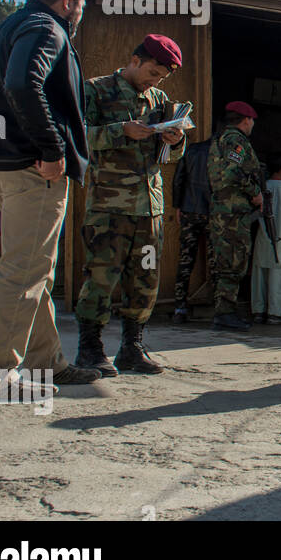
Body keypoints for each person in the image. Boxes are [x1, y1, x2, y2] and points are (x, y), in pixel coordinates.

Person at [0, 0, 102, 390]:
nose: (80, 15)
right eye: (81, 5)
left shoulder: (7, 28)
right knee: (23, 271)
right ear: (68, 1)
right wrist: (51, 149)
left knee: (33, 268)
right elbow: (23, 83)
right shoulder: (48, 29)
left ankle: (47, 362)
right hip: (32, 169)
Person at [73, 34, 186, 376]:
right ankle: (90, 348)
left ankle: (132, 347)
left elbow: (172, 156)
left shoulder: (159, 99)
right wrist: (120, 130)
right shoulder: (97, 90)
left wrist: (176, 140)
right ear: (135, 60)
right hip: (109, 205)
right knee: (101, 278)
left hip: (149, 207)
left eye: (161, 78)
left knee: (145, 279)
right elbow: (77, 137)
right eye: (152, 73)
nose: (155, 81)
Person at [207, 101, 264, 331]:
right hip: (233, 212)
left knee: (226, 261)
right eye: (252, 122)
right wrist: (255, 193)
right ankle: (225, 313)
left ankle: (225, 311)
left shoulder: (220, 139)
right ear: (246, 120)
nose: (252, 126)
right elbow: (233, 171)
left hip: (226, 210)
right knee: (233, 261)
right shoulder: (235, 140)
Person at [251, 153, 281, 324]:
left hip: (263, 237)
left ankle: (258, 311)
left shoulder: (261, 188)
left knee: (260, 276)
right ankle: (275, 313)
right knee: (278, 278)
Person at [171, 129, 212, 322]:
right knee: (216, 261)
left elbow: (178, 179)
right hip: (212, 213)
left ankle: (180, 307)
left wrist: (178, 206)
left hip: (189, 208)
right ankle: (219, 308)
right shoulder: (219, 153)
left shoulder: (192, 150)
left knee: (186, 260)